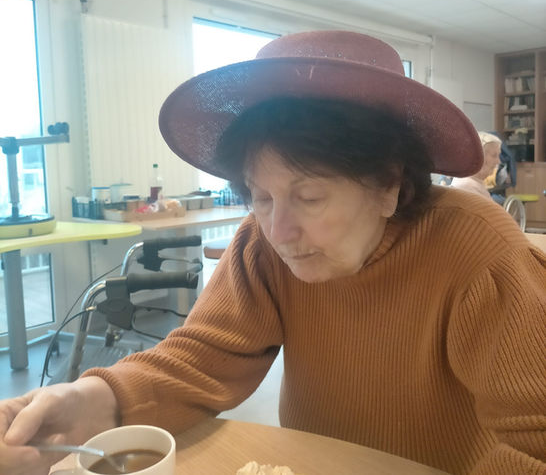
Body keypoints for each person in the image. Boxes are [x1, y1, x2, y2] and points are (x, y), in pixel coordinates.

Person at [1, 31, 545, 475]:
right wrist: (91, 398)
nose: (279, 230)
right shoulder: (260, 244)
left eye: (309, 196)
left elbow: (535, 444)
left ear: (389, 185)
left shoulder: (478, 252)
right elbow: (206, 355)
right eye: (260, 196)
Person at [450, 132, 502, 200]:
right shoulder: (468, 188)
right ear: (478, 157)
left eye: (498, 155)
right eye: (494, 155)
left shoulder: (473, 183)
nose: (498, 161)